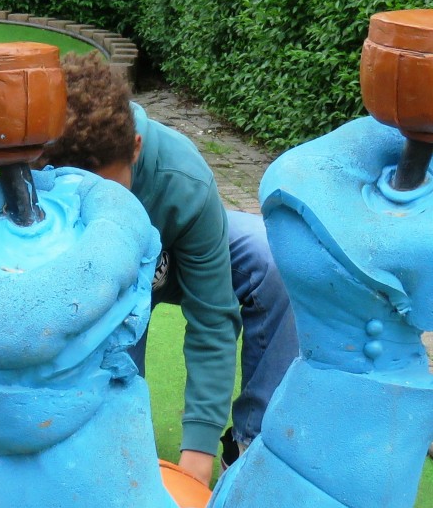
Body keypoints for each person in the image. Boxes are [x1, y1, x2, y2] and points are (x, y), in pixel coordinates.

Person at [44, 55, 298, 485]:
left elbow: (212, 317)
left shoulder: (182, 176)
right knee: (109, 440)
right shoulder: (34, 168)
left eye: (108, 189)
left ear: (136, 149)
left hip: (177, 257)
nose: (96, 207)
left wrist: (196, 453)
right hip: (98, 283)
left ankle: (252, 447)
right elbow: (0, 293)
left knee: (270, 258)